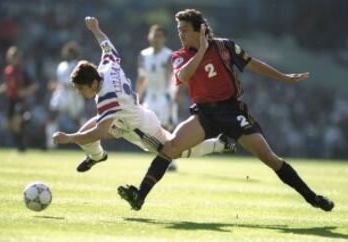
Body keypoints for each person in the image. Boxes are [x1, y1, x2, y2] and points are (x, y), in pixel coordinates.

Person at [117, 9, 334, 212]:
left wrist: (283, 77)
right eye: (179, 30)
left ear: (199, 29)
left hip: (232, 111)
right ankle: (140, 197)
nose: (180, 34)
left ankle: (311, 197)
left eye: (184, 30)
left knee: (269, 158)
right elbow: (183, 77)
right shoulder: (179, 56)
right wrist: (201, 50)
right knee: (171, 147)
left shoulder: (225, 46)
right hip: (205, 114)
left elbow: (253, 64)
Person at [52, 16, 236, 173]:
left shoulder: (109, 98)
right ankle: (98, 156)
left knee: (175, 150)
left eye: (81, 89)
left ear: (93, 83)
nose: (79, 93)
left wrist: (69, 138)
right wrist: (95, 29)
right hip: (125, 118)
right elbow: (106, 46)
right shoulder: (107, 66)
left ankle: (218, 144)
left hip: (141, 129)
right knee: (84, 134)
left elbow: (100, 132)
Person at [135, 24, 179, 171]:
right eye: (154, 35)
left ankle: (169, 160)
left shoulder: (169, 56)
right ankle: (162, 156)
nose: (156, 38)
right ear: (149, 36)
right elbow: (142, 78)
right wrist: (137, 96)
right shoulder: (143, 55)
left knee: (165, 128)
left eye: (160, 36)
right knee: (148, 128)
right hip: (150, 97)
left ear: (164, 38)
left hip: (165, 96)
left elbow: (175, 77)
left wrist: (176, 94)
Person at [0, 46, 37, 151]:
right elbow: (7, 85)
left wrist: (24, 92)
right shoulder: (8, 71)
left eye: (14, 56)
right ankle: (20, 143)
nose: (12, 58)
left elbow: (34, 85)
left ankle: (22, 144)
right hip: (10, 100)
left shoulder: (22, 71)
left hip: (19, 100)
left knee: (16, 121)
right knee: (10, 124)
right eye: (11, 56)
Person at [45, 41, 85, 149]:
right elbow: (60, 81)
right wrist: (55, 84)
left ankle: (87, 142)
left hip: (73, 95)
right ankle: (50, 145)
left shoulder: (79, 65)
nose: (67, 54)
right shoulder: (61, 65)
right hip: (61, 94)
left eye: (70, 52)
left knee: (77, 119)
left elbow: (80, 82)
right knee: (52, 116)